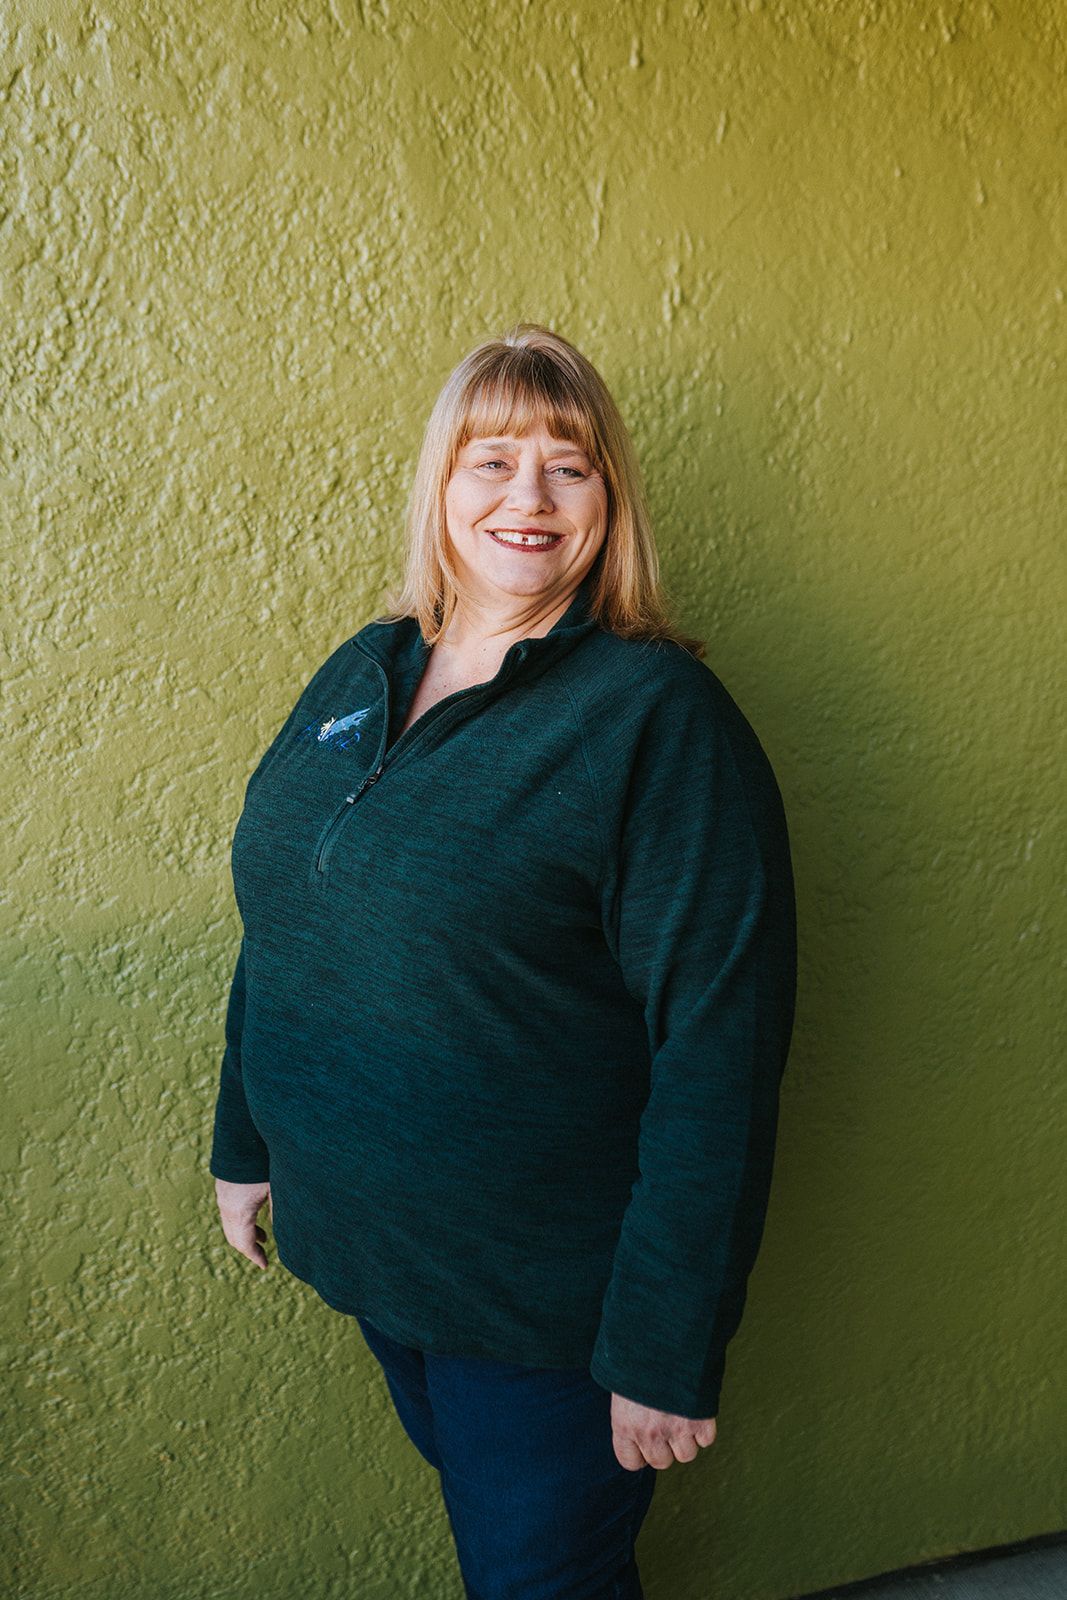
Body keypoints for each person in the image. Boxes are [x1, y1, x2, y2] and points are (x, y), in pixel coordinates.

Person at [209, 322, 798, 1599]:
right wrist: (246, 1141)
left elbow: (717, 1047)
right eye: (490, 459)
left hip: (545, 1316)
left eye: (567, 466)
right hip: (380, 1260)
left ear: (607, 503)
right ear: (441, 484)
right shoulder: (364, 670)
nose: (525, 497)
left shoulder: (654, 721)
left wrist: (663, 1339)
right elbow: (285, 922)